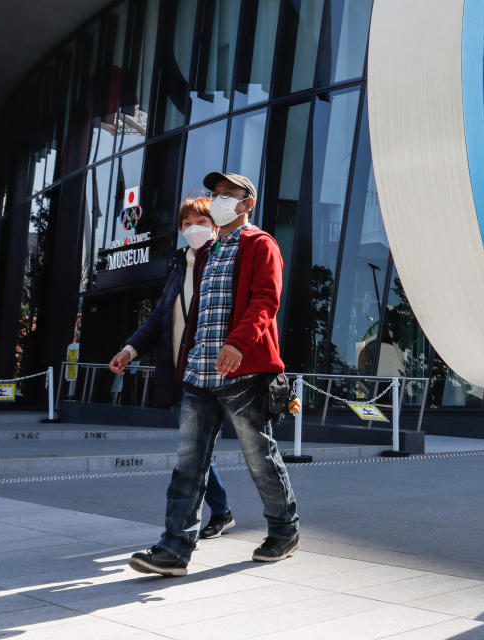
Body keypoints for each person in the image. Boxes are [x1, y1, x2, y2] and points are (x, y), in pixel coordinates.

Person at [129, 172, 298, 577]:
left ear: (247, 204)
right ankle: (174, 549)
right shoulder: (207, 252)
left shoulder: (260, 244)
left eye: (228, 194)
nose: (218, 199)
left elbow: (265, 300)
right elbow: (192, 314)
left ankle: (284, 530)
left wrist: (238, 343)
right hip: (198, 374)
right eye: (214, 193)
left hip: (242, 372)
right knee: (188, 465)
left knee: (259, 456)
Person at [109, 196, 236, 540]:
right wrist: (130, 349)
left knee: (211, 450)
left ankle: (201, 526)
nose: (192, 230)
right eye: (185, 224)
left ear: (215, 225)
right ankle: (212, 517)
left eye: (201, 223)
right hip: (185, 371)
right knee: (194, 450)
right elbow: (159, 319)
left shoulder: (223, 260)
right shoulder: (180, 266)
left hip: (219, 369)